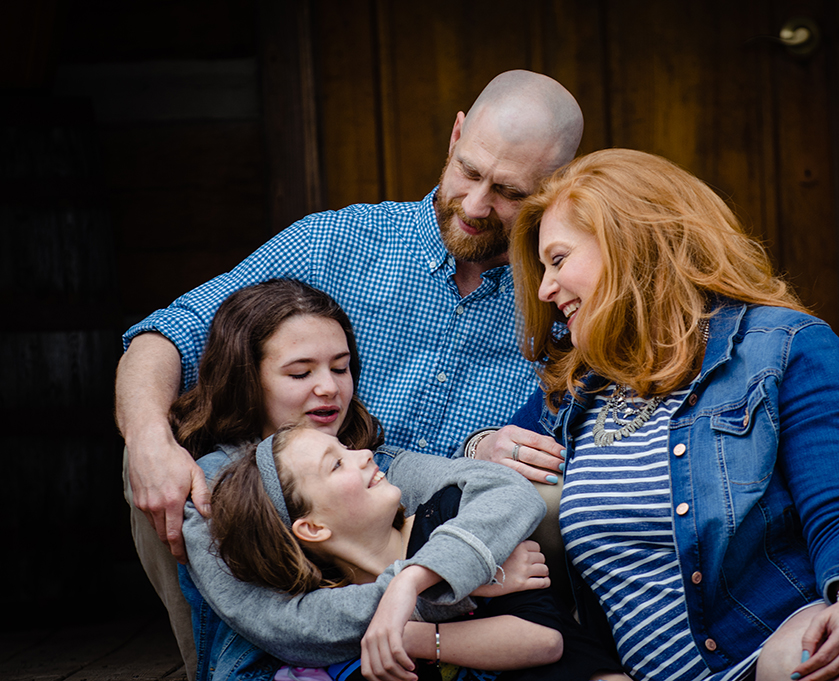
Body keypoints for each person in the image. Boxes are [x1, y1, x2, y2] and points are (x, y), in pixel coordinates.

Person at [116, 70, 582, 678]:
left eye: (508, 192)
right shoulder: (333, 244)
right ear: (455, 134)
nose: (474, 205)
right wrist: (149, 440)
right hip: (295, 523)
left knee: (548, 502)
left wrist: (481, 450)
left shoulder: (559, 291)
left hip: (439, 526)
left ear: (554, 188)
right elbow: (169, 332)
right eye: (469, 171)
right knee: (157, 470)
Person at [501, 148, 839, 681]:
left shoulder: (784, 348)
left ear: (629, 243)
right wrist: (479, 448)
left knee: (803, 660)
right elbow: (476, 501)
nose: (545, 288)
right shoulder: (573, 396)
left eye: (557, 260)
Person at [173, 279, 625, 681]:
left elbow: (504, 489)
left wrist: (427, 577)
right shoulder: (212, 487)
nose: (329, 387)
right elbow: (292, 628)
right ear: (248, 380)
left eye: (341, 366)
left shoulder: (372, 461)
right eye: (300, 372)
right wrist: (456, 586)